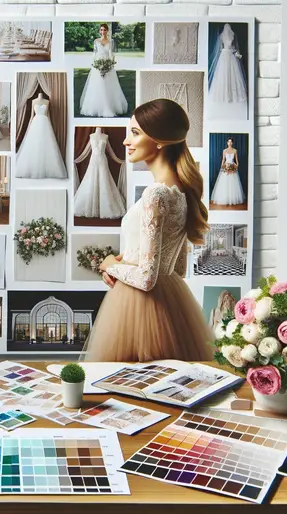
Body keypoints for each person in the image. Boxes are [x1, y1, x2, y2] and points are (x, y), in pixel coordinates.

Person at [82, 98, 214, 362]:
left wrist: (109, 264)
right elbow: (177, 269)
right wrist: (125, 266)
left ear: (160, 140)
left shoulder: (156, 194)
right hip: (168, 308)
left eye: (135, 133)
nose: (125, 141)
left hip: (137, 308)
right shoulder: (182, 191)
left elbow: (145, 279)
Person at [78, 24, 128, 118]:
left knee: (108, 86)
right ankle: (97, 107)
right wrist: (95, 64)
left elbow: (111, 54)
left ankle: (110, 107)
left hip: (107, 64)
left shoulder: (111, 41)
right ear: (99, 31)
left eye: (104, 30)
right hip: (98, 64)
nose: (103, 31)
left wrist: (110, 64)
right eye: (101, 30)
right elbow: (94, 53)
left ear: (107, 31)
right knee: (98, 85)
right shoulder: (96, 41)